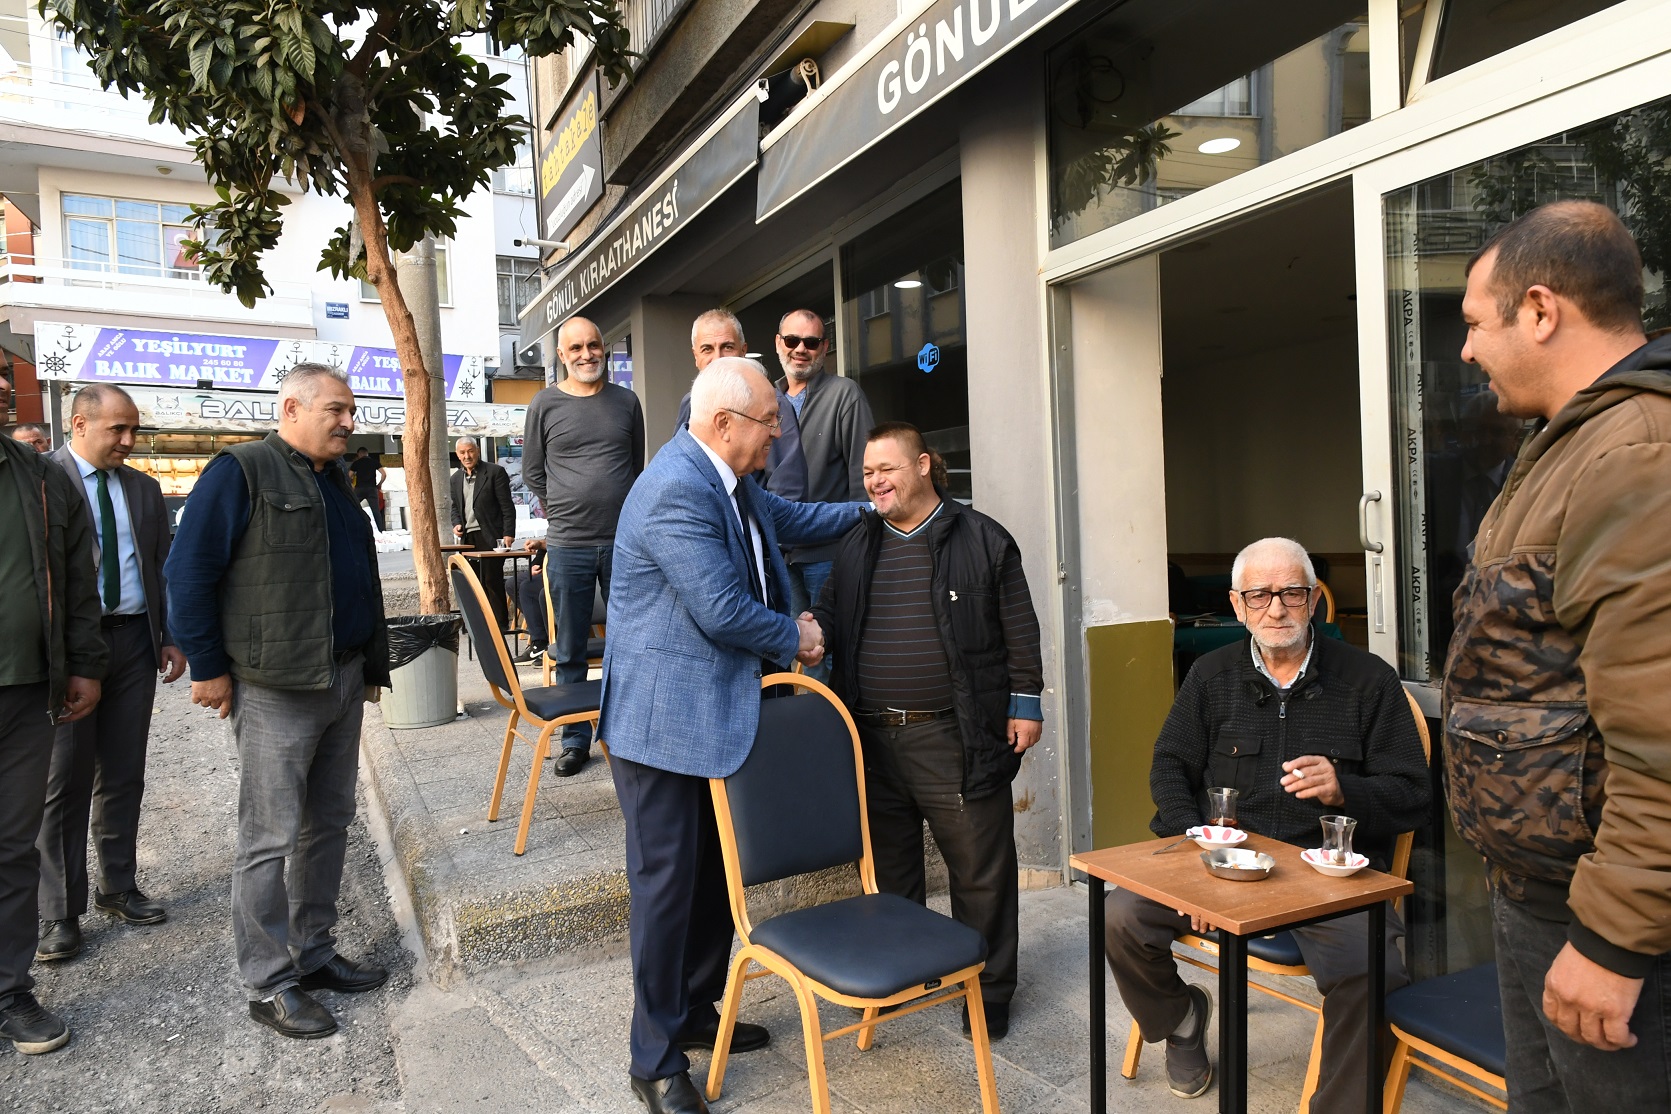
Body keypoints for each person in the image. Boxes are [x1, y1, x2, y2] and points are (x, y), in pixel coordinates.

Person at [1444, 200, 1671, 1108]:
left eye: (1473, 324)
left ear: (1539, 310)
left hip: (1610, 925)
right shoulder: (1566, 444)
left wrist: (1613, 940)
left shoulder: (1635, 452)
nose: (1466, 351)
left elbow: (1659, 729)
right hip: (1542, 895)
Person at [601, 357, 863, 1114]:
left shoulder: (732, 480)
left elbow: (791, 522)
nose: (779, 433)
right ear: (724, 424)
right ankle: (653, 1059)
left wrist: (873, 507)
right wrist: (797, 639)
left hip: (716, 716)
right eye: (770, 421)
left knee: (714, 877)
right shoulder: (675, 489)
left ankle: (692, 1011)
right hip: (661, 727)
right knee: (665, 889)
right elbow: (720, 608)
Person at [1104, 537, 1429, 1106]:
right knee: (1120, 917)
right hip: (1219, 861)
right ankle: (1180, 1019)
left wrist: (1344, 788)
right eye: (1259, 595)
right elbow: (1169, 766)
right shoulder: (1210, 675)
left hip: (1324, 877)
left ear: (1314, 600)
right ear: (1237, 605)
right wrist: (1194, 864)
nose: (1276, 609)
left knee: (1372, 968)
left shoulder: (1368, 680)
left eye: (1291, 593)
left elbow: (1413, 796)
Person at [164, 363, 391, 1040]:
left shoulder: (336, 480)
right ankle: (267, 982)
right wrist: (209, 667)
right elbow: (188, 572)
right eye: (336, 410)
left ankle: (313, 953)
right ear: (291, 408)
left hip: (341, 679)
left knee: (329, 823)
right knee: (268, 837)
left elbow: (359, 578)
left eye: (351, 411)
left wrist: (370, 665)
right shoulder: (241, 471)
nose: (348, 422)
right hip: (274, 688)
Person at [810, 422, 1041, 1041]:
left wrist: (1026, 702)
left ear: (922, 466)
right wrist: (809, 630)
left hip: (954, 736)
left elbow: (1019, 626)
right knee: (890, 874)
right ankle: (901, 977)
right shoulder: (857, 543)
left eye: (885, 469)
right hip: (871, 738)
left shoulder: (982, 538)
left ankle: (988, 993)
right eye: (867, 473)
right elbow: (830, 611)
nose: (874, 482)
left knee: (980, 872)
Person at [35, 385, 187, 966]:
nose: (129, 440)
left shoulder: (143, 490)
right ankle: (60, 911)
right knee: (65, 779)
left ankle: (117, 886)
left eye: (133, 430)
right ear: (79, 424)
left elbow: (161, 567)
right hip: (69, 650)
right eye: (117, 429)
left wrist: (168, 634)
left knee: (124, 772)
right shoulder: (40, 480)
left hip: (132, 642)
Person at [0, 431, 106, 1055]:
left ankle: (9, 991)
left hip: (24, 691)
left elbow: (75, 579)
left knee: (13, 848)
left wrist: (84, 663)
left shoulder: (40, 475)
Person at [521, 316, 645, 776]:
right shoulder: (544, 404)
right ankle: (575, 739)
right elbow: (532, 471)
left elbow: (635, 468)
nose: (587, 354)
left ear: (603, 348)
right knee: (571, 647)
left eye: (593, 345)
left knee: (630, 642)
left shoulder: (626, 402)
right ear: (561, 355)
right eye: (576, 348)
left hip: (624, 544)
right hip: (568, 544)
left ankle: (627, 734)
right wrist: (563, 509)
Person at [773, 309, 873, 679]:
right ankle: (811, 715)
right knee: (797, 650)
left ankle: (840, 718)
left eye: (811, 342)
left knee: (834, 651)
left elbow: (865, 477)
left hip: (830, 554)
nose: (801, 349)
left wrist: (861, 547)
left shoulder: (845, 394)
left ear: (825, 347)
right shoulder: (766, 398)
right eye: (792, 340)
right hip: (781, 556)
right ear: (778, 344)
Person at [675, 308, 806, 501]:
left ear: (743, 351)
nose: (718, 358)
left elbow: (788, 494)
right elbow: (679, 467)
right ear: (696, 356)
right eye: (707, 349)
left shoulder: (772, 405)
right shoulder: (690, 403)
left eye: (727, 347)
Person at [449, 436, 516, 633]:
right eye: (462, 452)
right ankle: (478, 624)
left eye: (470, 451)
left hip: (491, 535)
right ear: (457, 455)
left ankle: (499, 624)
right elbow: (455, 507)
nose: (467, 456)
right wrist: (456, 523)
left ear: (477, 451)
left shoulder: (495, 472)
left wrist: (508, 533)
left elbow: (507, 506)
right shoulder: (455, 479)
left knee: (491, 579)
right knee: (472, 582)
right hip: (468, 539)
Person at [346, 447, 386, 531]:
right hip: (372, 489)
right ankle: (380, 530)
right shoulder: (374, 462)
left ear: (359, 454)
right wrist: (379, 484)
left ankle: (351, 528)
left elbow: (349, 476)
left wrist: (352, 486)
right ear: (367, 453)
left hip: (359, 489)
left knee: (353, 507)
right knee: (376, 511)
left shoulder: (356, 463)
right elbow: (384, 474)